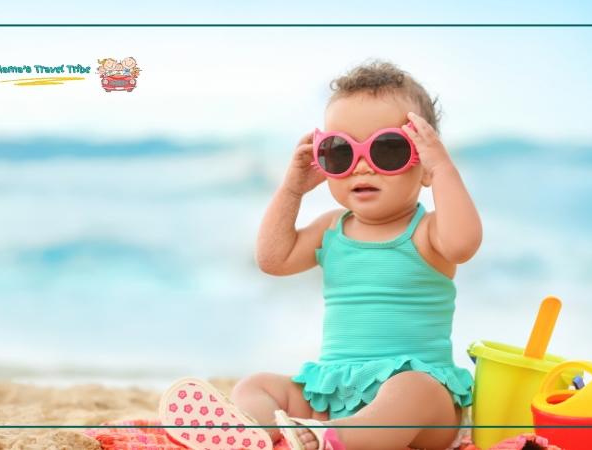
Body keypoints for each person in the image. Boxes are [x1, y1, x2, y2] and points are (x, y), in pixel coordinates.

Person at [158, 59, 482, 450]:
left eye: (388, 148)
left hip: (418, 410)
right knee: (256, 385)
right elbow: (273, 260)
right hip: (335, 393)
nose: (361, 165)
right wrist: (291, 191)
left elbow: (464, 244)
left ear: (424, 164)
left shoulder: (429, 232)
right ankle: (254, 432)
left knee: (414, 389)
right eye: (341, 153)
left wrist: (444, 168)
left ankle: (339, 439)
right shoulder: (331, 229)